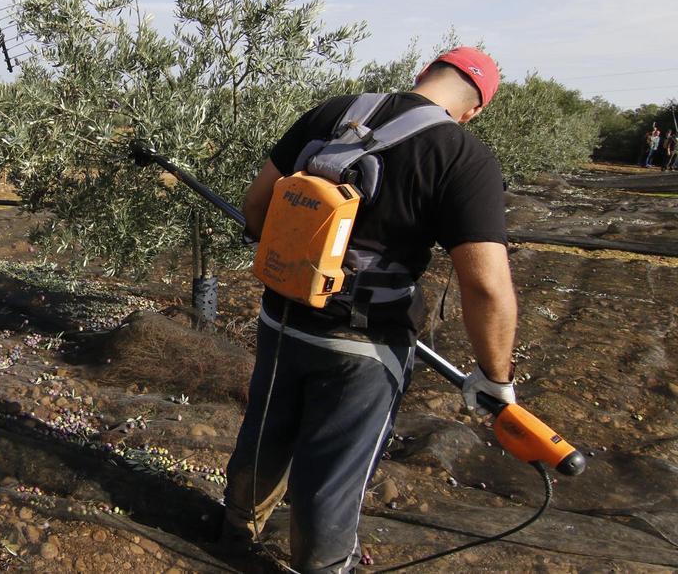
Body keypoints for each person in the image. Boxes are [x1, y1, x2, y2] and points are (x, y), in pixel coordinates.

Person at [220, 47, 518, 572]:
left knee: (265, 433)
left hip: (282, 318)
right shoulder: (461, 155)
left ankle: (235, 531)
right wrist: (496, 378)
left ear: (423, 73)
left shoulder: (332, 113)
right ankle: (324, 565)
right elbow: (487, 287)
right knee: (333, 476)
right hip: (365, 346)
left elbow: (255, 206)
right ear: (475, 109)